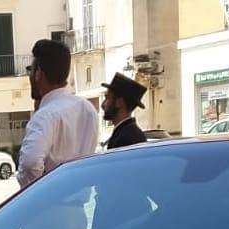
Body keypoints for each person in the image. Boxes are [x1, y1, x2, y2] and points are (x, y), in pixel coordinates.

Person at [17, 39, 99, 189]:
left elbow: (30, 164)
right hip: (80, 202)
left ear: (39, 74)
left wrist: (40, 193)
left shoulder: (45, 116)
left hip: (50, 205)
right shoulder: (87, 109)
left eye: (31, 70)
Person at [101, 73, 147, 149]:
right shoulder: (125, 132)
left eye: (107, 98)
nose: (103, 105)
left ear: (119, 103)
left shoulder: (128, 137)